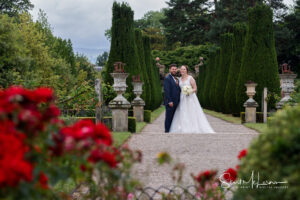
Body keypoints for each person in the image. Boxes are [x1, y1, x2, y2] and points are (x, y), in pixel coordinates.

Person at [169, 65, 215, 133]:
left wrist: (189, 91)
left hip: (190, 97)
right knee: (182, 111)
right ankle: (182, 127)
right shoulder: (179, 79)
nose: (182, 71)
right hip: (182, 97)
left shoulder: (190, 78)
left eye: (184, 69)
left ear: (187, 70)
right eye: (181, 69)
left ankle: (193, 127)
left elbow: (195, 88)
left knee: (191, 111)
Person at [163, 64, 181, 133]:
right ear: (170, 70)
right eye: (173, 69)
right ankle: (167, 130)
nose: (174, 70)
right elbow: (167, 91)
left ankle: (172, 129)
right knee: (169, 117)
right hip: (170, 102)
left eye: (175, 69)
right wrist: (170, 101)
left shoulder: (176, 79)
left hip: (176, 101)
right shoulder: (167, 78)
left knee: (174, 117)